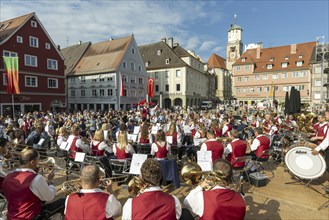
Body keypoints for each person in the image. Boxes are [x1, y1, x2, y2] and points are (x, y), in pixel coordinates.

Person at [2, 148, 65, 219]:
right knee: (63, 202)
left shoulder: (8, 177)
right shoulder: (36, 178)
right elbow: (49, 197)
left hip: (12, 215)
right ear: (32, 162)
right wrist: (50, 181)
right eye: (38, 160)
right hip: (31, 216)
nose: (39, 162)